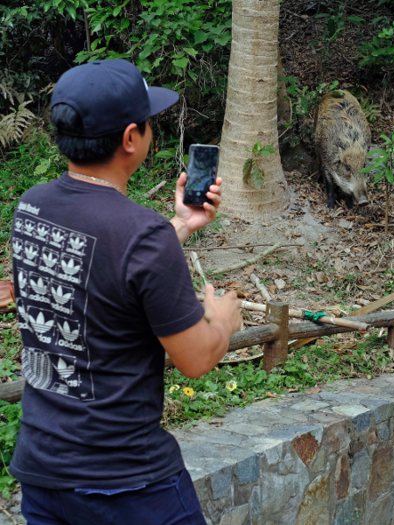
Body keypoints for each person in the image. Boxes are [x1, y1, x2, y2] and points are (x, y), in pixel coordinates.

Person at [10, 59, 242, 525]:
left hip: (42, 469)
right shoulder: (143, 235)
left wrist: (180, 225)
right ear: (131, 138)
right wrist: (222, 319)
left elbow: (96, 261)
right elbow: (195, 360)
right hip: (126, 483)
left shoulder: (31, 205)